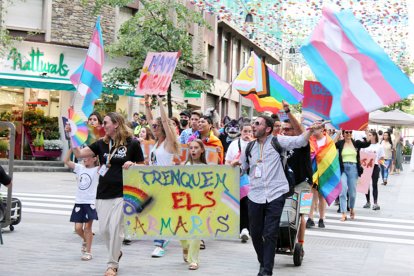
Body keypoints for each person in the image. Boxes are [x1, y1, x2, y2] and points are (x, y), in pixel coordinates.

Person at [237, 115, 317, 276]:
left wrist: (310, 131)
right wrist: (231, 167)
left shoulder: (277, 141)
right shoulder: (248, 147)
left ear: (267, 129)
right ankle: (264, 261)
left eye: (257, 124)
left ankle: (267, 271)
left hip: (276, 194)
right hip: (255, 195)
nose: (253, 126)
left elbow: (300, 141)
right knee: (256, 233)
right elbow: (241, 168)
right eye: (253, 123)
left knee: (270, 232)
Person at [70, 112, 144, 276]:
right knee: (104, 230)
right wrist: (72, 136)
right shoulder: (101, 144)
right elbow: (79, 154)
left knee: (116, 228)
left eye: (105, 122)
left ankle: (112, 264)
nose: (103, 126)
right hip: (103, 192)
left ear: (116, 124)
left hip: (123, 192)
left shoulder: (132, 143)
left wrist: (133, 164)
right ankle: (116, 252)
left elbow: (142, 166)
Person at [145, 94, 181, 258]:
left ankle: (160, 243)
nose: (153, 128)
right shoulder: (157, 142)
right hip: (154, 183)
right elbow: (150, 120)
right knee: (155, 212)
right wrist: (147, 105)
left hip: (166, 184)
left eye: (156, 127)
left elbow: (165, 122)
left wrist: (160, 102)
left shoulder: (169, 142)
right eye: (153, 127)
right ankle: (163, 237)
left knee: (161, 212)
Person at [280, 101, 313, 247]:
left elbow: (300, 130)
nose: (285, 132)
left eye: (289, 129)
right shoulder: (281, 144)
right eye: (284, 130)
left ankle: (300, 244)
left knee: (301, 214)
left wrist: (287, 111)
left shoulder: (303, 143)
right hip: (286, 184)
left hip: (304, 183)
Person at [64, 149, 99, 261]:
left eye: (88, 156)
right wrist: (71, 149)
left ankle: (88, 252)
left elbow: (108, 165)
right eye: (83, 156)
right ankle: (86, 239)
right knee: (78, 228)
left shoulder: (97, 170)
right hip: (79, 202)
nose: (84, 158)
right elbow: (66, 161)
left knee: (88, 228)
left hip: (90, 202)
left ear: (94, 158)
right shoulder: (79, 168)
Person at [180, 139, 206, 270]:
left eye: (196, 148)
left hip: (199, 204)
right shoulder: (184, 165)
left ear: (202, 150)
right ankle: (185, 247)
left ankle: (194, 259)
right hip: (183, 204)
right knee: (182, 230)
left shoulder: (206, 168)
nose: (193, 150)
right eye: (191, 148)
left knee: (196, 231)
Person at [225, 122, 253, 243]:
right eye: (245, 131)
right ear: (241, 131)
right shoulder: (234, 144)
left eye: (249, 131)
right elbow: (227, 161)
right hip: (238, 177)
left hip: (252, 178)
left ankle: (246, 228)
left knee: (247, 204)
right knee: (239, 203)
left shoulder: (255, 144)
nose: (247, 134)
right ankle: (240, 228)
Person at [335, 129, 370, 221]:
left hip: (353, 168)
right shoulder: (340, 143)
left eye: (350, 132)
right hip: (342, 168)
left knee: (352, 193)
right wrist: (338, 133)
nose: (349, 134)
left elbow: (367, 143)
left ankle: (351, 209)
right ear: (343, 134)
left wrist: (367, 132)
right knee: (342, 191)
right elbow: (331, 145)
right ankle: (343, 213)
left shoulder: (356, 143)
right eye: (346, 132)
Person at [362, 131, 384, 211]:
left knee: (374, 184)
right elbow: (361, 155)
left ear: (374, 136)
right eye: (368, 135)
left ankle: (375, 203)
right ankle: (368, 202)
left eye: (370, 135)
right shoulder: (365, 145)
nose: (368, 136)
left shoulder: (379, 146)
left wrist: (379, 161)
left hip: (375, 166)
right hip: (366, 166)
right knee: (366, 185)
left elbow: (382, 157)